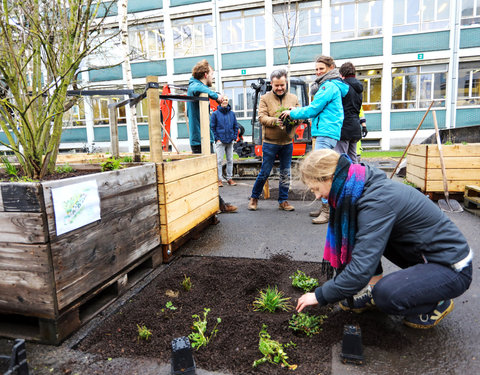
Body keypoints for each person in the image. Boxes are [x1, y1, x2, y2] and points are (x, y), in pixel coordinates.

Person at [295, 149, 473, 329]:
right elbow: (364, 248)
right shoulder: (358, 187)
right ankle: (377, 288)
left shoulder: (376, 201)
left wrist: (319, 295)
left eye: (316, 189)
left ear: (329, 178)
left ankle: (436, 303)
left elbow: (359, 271)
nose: (317, 196)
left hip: (452, 268)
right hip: (423, 254)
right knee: (365, 236)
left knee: (385, 295)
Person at [281, 56, 349, 224]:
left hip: (326, 132)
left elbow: (313, 109)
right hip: (328, 131)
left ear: (331, 67)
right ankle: (326, 207)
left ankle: (328, 210)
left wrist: (292, 113)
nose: (318, 72)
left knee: (321, 173)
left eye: (321, 69)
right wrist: (297, 109)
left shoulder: (328, 86)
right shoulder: (332, 85)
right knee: (323, 170)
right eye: (316, 69)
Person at [187, 60, 237, 213]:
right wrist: (216, 96)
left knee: (208, 177)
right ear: (205, 74)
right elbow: (196, 88)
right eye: (212, 75)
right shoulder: (194, 86)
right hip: (199, 140)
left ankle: (218, 205)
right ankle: (210, 208)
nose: (213, 78)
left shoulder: (198, 87)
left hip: (204, 138)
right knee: (204, 178)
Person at [247, 69, 299, 212]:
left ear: (286, 83)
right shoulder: (265, 98)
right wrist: (275, 121)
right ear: (272, 84)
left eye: (282, 85)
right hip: (270, 142)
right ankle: (254, 197)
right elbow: (262, 117)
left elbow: (300, 116)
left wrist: (294, 115)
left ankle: (283, 200)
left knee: (285, 172)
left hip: (287, 143)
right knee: (265, 171)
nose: (280, 88)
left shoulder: (293, 98)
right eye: (276, 85)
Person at [334, 62, 363, 163]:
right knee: (353, 157)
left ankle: (344, 178)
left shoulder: (343, 87)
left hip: (344, 127)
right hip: (355, 127)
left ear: (342, 73)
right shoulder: (359, 88)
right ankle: (355, 178)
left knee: (341, 158)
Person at [211, 95, 239, 187]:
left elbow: (235, 126)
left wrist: (234, 137)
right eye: (223, 100)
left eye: (226, 100)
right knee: (219, 161)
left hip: (230, 140)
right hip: (220, 141)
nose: (225, 101)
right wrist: (217, 138)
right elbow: (212, 127)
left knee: (230, 160)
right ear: (220, 101)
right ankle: (219, 180)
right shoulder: (215, 114)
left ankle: (229, 178)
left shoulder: (232, 114)